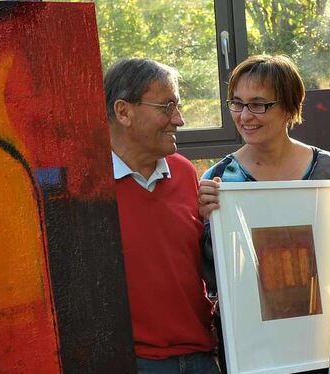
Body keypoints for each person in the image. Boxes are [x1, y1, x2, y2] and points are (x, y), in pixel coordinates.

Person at [198, 54, 330, 373]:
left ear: (290, 107)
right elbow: (213, 275)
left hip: (319, 333)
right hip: (252, 340)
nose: (245, 115)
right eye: (237, 103)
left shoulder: (328, 171)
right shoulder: (221, 178)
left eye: (259, 104)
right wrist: (209, 222)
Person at [105, 57, 219, 374]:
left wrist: (216, 224)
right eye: (167, 107)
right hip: (131, 363)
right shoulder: (86, 185)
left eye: (178, 106)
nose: (179, 120)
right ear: (123, 111)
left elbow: (204, 268)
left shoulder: (184, 172)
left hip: (201, 357)